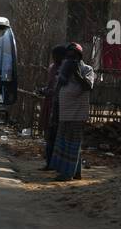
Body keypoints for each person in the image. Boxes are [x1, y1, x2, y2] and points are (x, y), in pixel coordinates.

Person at [51, 43, 95, 181]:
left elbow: (88, 86)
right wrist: (55, 109)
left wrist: (76, 73)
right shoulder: (64, 69)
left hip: (77, 113)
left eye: (73, 55)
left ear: (79, 56)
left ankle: (67, 174)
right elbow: (57, 89)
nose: (70, 58)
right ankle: (76, 172)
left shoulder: (87, 69)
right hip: (64, 112)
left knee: (73, 143)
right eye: (68, 55)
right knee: (65, 143)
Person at [39, 44, 66, 170]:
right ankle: (49, 163)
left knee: (56, 136)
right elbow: (50, 85)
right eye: (53, 56)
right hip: (49, 104)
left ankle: (55, 163)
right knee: (49, 136)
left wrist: (48, 92)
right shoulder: (52, 68)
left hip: (59, 106)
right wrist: (45, 90)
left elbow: (59, 89)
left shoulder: (65, 70)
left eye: (57, 55)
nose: (54, 58)